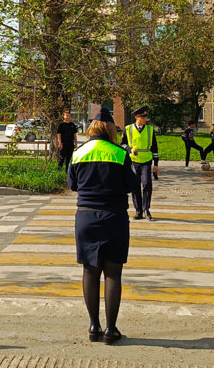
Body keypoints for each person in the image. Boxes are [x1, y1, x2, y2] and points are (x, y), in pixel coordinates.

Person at [68, 108, 140, 345]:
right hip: (114, 217)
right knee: (113, 273)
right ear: (110, 130)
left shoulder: (79, 153)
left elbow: (72, 185)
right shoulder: (120, 153)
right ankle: (110, 329)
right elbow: (132, 185)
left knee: (90, 271)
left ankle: (93, 326)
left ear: (91, 128)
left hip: (86, 217)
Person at [119, 106, 159, 220]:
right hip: (133, 161)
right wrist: (130, 149)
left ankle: (146, 209)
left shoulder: (150, 129)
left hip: (146, 161)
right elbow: (122, 144)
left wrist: (156, 164)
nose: (145, 118)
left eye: (146, 116)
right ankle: (138, 211)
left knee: (147, 184)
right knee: (135, 186)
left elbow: (155, 147)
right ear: (137, 117)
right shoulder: (128, 129)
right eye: (143, 117)